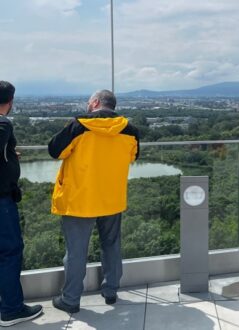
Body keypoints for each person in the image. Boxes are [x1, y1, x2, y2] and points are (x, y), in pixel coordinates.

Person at [48, 90, 139, 313]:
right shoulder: (130, 130)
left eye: (89, 102)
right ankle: (110, 291)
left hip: (80, 199)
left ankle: (70, 299)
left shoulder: (78, 126)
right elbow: (132, 156)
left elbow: (55, 151)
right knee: (111, 246)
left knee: (77, 252)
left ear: (96, 102)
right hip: (112, 199)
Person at [0, 81, 43, 326]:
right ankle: (12, 309)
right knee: (10, 252)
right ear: (10, 101)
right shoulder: (3, 123)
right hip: (1, 200)